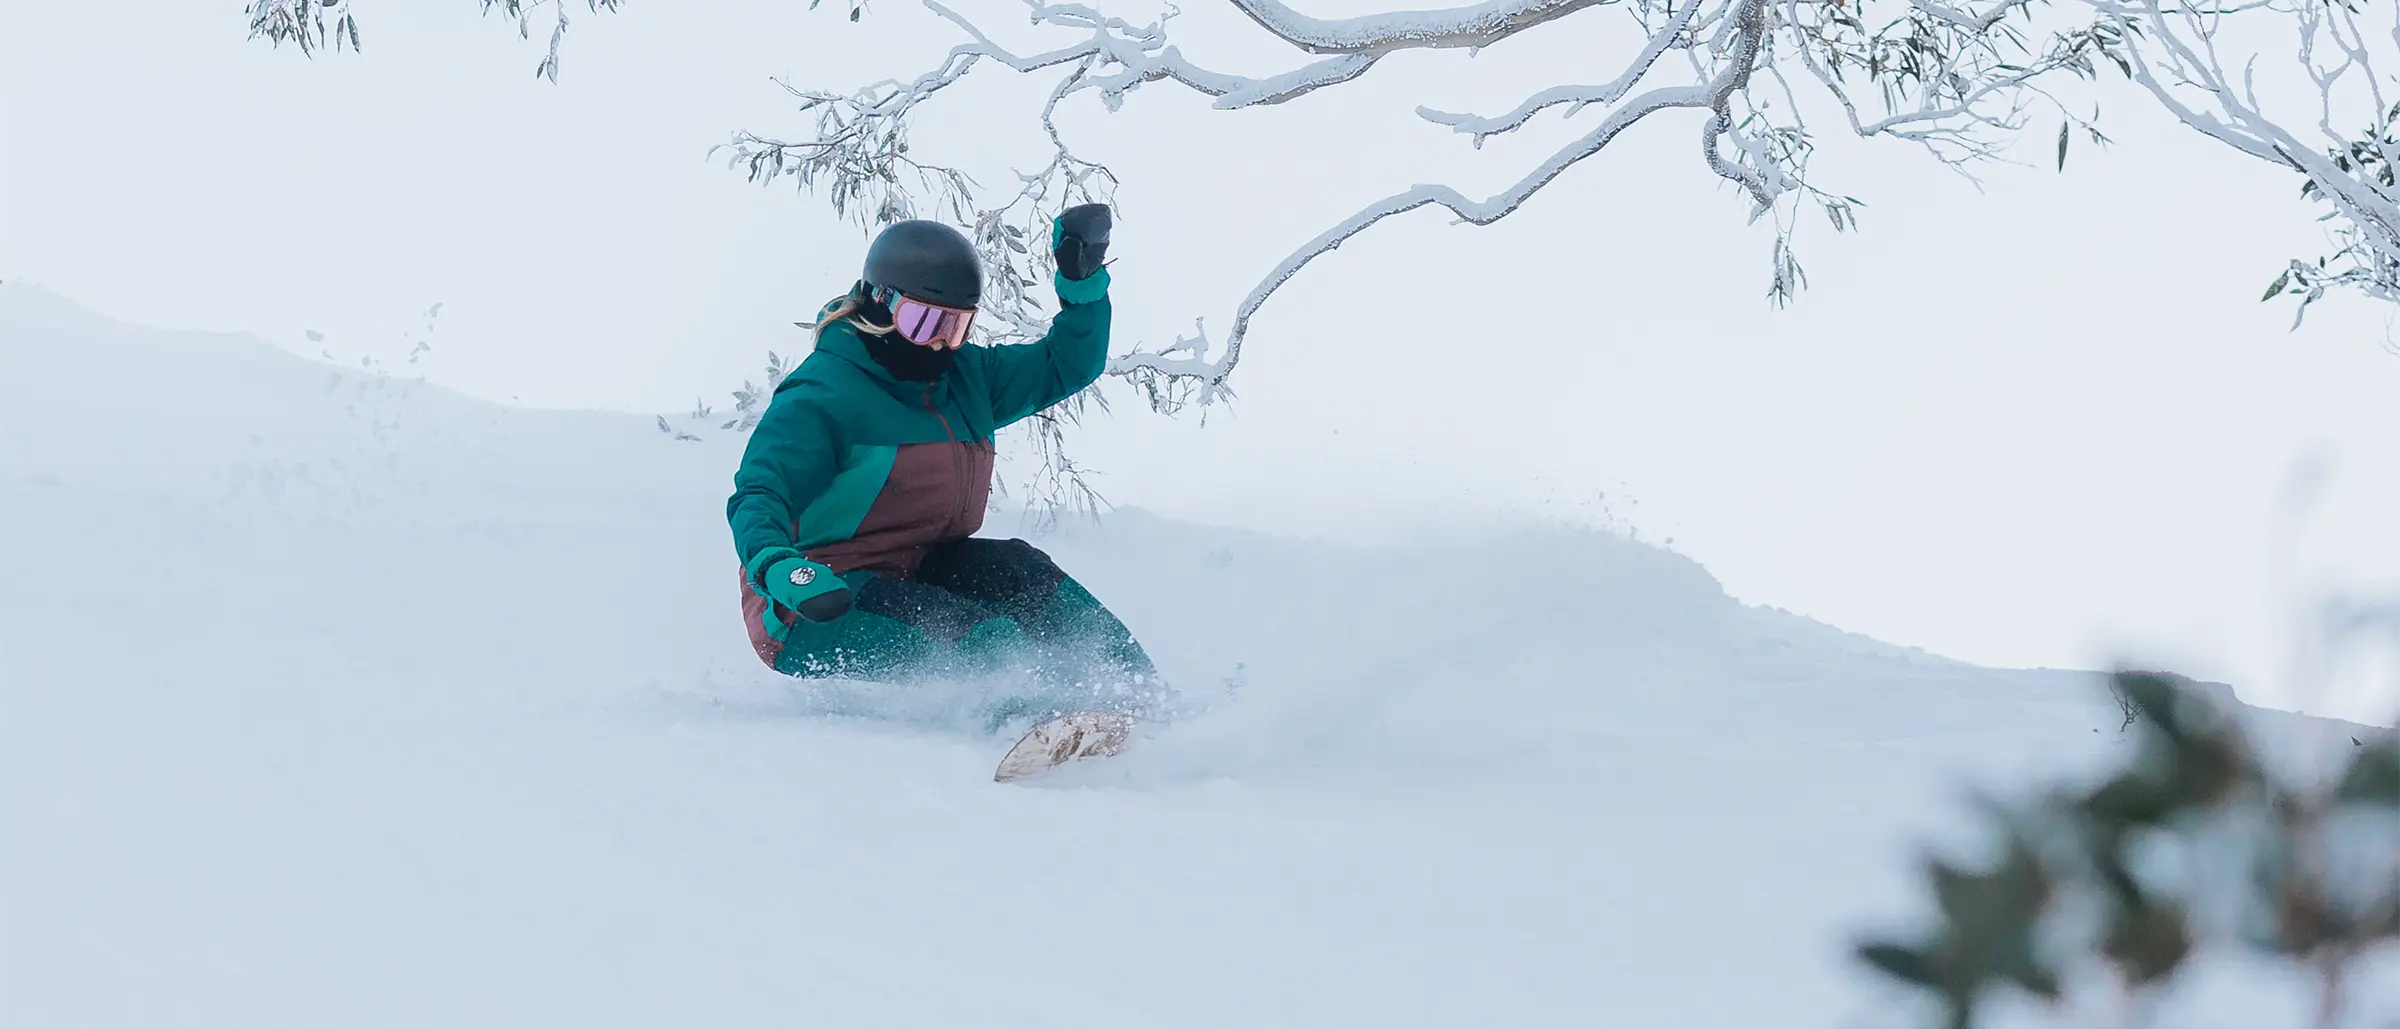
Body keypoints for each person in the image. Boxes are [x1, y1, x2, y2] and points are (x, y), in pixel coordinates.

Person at [725, 205, 1166, 723]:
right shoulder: (824, 395)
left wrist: (1082, 283)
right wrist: (783, 569)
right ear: (880, 305)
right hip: (818, 598)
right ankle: (1032, 723)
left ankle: (1137, 696)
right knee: (978, 635)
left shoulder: (963, 378)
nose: (940, 341)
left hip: (917, 567)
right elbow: (759, 494)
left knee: (1028, 578)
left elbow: (1063, 364)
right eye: (925, 321)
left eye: (956, 327)